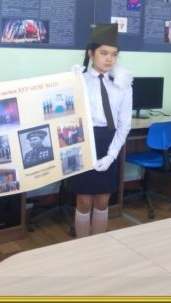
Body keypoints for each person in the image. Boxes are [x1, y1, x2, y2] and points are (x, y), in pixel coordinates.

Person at [68, 23, 133, 237]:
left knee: (103, 199)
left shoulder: (123, 84)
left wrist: (112, 155)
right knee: (84, 200)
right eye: (103, 53)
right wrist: (69, 84)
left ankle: (98, 244)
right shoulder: (78, 80)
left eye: (114, 54)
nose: (109, 59)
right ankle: (82, 244)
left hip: (109, 141)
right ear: (91, 53)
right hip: (83, 141)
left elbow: (124, 124)